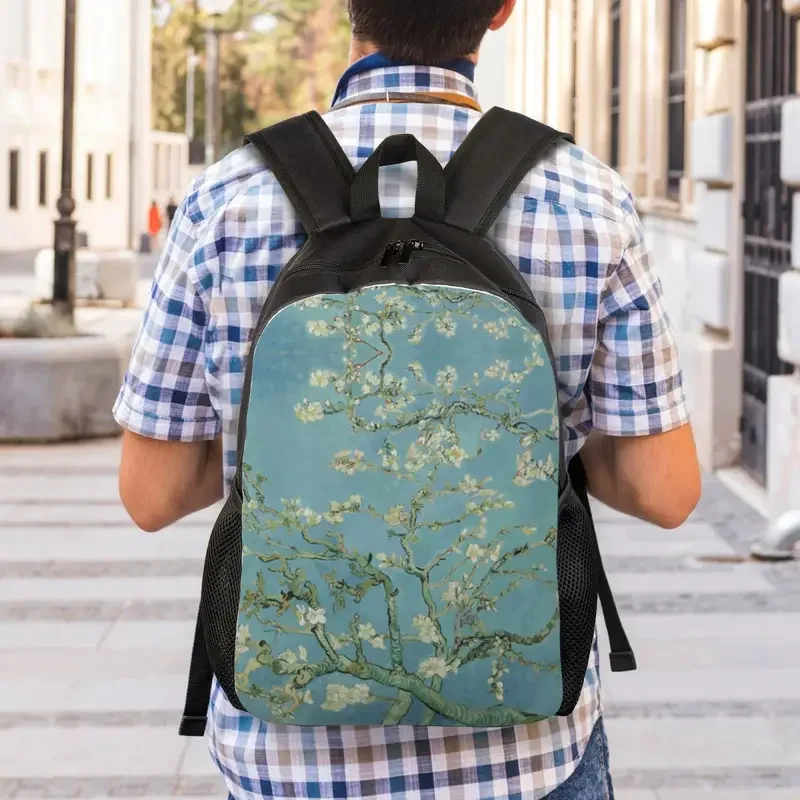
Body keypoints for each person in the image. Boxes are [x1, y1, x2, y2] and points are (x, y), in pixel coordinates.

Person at [114, 1, 702, 797]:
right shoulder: (585, 196)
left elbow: (151, 494)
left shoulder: (226, 198)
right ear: (501, 11)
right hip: (524, 753)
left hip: (289, 758)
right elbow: (664, 491)